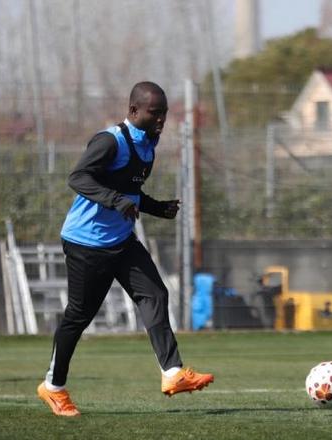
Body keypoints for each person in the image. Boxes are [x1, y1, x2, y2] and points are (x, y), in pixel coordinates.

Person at [37, 81, 214, 416]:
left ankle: (173, 373)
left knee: (155, 294)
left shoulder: (148, 145)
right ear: (134, 111)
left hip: (121, 241)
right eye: (155, 112)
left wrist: (157, 207)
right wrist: (116, 201)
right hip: (86, 243)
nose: (162, 119)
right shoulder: (110, 141)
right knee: (79, 316)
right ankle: (53, 387)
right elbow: (78, 178)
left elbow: (130, 192)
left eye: (164, 113)